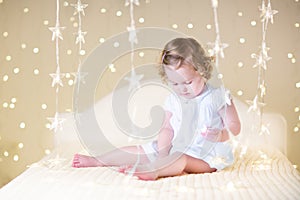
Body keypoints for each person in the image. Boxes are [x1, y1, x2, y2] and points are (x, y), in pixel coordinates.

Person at [72, 37, 241, 181]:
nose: (182, 88)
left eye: (187, 82)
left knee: (179, 159)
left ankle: (155, 170)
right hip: (175, 147)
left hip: (205, 156)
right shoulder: (173, 100)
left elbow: (235, 127)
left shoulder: (217, 96)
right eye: (174, 83)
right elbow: (167, 129)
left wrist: (219, 134)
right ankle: (99, 161)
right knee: (142, 150)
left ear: (202, 71)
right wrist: (161, 155)